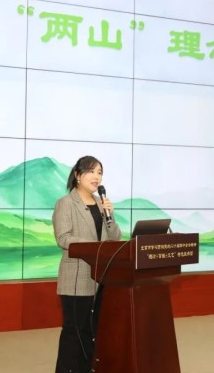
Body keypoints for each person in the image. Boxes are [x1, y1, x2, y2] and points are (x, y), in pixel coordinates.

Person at [52, 155, 121, 373]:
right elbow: (63, 238)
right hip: (76, 277)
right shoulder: (66, 203)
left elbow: (115, 238)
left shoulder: (101, 205)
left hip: (99, 278)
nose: (96, 177)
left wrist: (110, 215)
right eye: (91, 171)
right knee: (74, 331)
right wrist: (93, 246)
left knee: (92, 331)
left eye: (99, 172)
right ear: (77, 175)